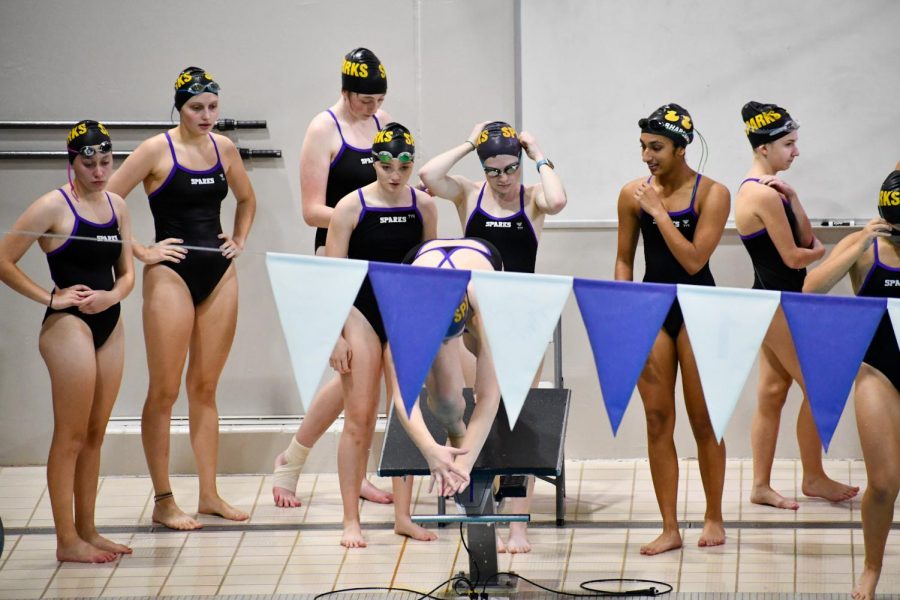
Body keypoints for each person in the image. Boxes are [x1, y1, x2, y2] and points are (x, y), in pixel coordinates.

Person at [107, 67, 256, 530]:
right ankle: (164, 499)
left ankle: (209, 494)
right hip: (170, 275)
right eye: (196, 108)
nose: (207, 115)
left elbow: (247, 200)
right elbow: (106, 204)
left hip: (219, 272)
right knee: (166, 390)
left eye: (213, 107)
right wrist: (143, 252)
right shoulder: (156, 149)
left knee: (205, 387)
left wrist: (238, 238)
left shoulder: (223, 148)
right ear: (179, 108)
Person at [418, 120, 566, 552]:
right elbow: (428, 176)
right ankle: (474, 502)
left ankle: (518, 525)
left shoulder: (533, 198)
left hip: (522, 322)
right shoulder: (468, 193)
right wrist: (469, 141)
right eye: (494, 170)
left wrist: (538, 153)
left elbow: (557, 199)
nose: (503, 179)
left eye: (510, 169)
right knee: (470, 405)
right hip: (474, 320)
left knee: (515, 412)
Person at [0, 121, 134, 562]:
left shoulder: (117, 204)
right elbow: (4, 260)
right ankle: (65, 540)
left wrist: (112, 295)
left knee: (96, 433)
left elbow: (127, 271)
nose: (98, 171)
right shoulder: (50, 207)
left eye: (105, 162)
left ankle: (88, 530)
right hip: (67, 327)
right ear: (72, 162)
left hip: (108, 321)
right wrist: (51, 297)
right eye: (88, 163)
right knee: (71, 435)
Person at [273, 47, 393, 508]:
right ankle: (293, 461)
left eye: (378, 99)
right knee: (353, 371)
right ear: (345, 90)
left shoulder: (384, 124)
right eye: (365, 100)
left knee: (362, 378)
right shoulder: (323, 128)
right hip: (336, 259)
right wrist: (362, 216)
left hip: (377, 260)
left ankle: (351, 472)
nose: (372, 108)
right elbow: (310, 211)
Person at [614, 103, 730, 555]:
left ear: (682, 148)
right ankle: (669, 527)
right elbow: (625, 259)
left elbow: (695, 260)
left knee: (705, 420)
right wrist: (624, 312)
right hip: (652, 308)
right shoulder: (631, 194)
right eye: (643, 147)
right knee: (658, 418)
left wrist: (660, 212)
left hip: (700, 307)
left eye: (656, 147)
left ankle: (714, 516)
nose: (647, 156)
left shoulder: (712, 194)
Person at [735, 101, 857, 510]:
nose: (796, 151)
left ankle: (760, 486)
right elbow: (797, 256)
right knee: (817, 386)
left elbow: (803, 239)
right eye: (789, 144)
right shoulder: (761, 194)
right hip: (776, 302)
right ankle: (814, 476)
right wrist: (821, 250)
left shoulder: (775, 191)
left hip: (774, 300)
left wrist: (795, 197)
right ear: (765, 147)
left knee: (772, 391)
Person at [325, 122, 438, 547]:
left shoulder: (425, 206)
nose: (395, 174)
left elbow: (429, 271)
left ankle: (404, 517)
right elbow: (332, 277)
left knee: (407, 417)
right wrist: (334, 336)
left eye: (404, 166)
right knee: (359, 418)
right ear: (373, 162)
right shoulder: (350, 207)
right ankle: (350, 519)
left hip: (405, 313)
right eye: (387, 165)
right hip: (361, 311)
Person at [803, 169, 900, 600]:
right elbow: (811, 288)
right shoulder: (866, 247)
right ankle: (872, 569)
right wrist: (860, 243)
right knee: (883, 482)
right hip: (878, 372)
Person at [391, 238, 504, 496]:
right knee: (445, 402)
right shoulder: (405, 310)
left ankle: (471, 447)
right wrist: (430, 449)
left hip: (482, 257)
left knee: (493, 375)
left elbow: (489, 396)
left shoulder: (488, 302)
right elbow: (403, 398)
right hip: (421, 264)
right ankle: (457, 434)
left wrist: (464, 465)